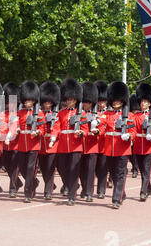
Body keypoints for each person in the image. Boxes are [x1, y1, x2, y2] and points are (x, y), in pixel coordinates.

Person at [50, 78, 88, 206]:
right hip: (62, 146)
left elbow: (85, 129)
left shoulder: (81, 113)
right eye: (67, 99)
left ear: (76, 100)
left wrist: (81, 133)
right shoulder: (61, 113)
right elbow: (56, 127)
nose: (69, 101)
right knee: (61, 168)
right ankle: (72, 185)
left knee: (73, 170)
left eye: (71, 99)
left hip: (75, 145)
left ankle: (72, 196)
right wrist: (53, 138)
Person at [103, 81, 136, 209]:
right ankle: (122, 193)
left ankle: (116, 199)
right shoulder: (106, 114)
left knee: (120, 173)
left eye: (118, 100)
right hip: (109, 149)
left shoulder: (129, 115)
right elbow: (101, 126)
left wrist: (129, 136)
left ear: (123, 101)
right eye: (114, 100)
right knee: (113, 174)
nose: (116, 102)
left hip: (123, 149)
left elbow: (133, 131)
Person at [14, 80, 43, 203]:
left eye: (29, 100)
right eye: (25, 100)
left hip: (33, 144)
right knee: (22, 167)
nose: (27, 103)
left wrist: (37, 132)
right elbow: (15, 124)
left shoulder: (39, 113)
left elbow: (42, 129)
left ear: (34, 100)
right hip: (22, 144)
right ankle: (34, 182)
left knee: (31, 168)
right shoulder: (20, 112)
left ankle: (28, 192)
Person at [133, 83, 151, 201]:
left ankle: (143, 192)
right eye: (142, 102)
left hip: (150, 146)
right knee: (142, 170)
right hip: (139, 145)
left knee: (146, 169)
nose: (143, 103)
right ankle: (149, 187)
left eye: (145, 102)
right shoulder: (136, 116)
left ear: (150, 103)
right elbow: (133, 128)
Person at [80, 82, 104, 202]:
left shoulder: (99, 115)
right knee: (81, 169)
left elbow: (103, 127)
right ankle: (84, 188)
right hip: (80, 145)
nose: (85, 104)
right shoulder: (79, 114)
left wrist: (96, 130)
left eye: (87, 102)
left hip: (93, 145)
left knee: (90, 170)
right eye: (84, 102)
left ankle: (89, 192)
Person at [37, 81, 60, 200]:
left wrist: (53, 138)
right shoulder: (39, 113)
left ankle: (48, 191)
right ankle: (51, 185)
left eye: (49, 102)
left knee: (50, 169)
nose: (47, 104)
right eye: (45, 101)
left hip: (52, 144)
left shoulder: (56, 114)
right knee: (43, 168)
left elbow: (57, 128)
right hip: (41, 144)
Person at [0, 82, 22, 198]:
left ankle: (12, 188)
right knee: (6, 166)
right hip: (5, 144)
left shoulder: (19, 113)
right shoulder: (3, 114)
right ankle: (18, 182)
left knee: (14, 167)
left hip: (16, 145)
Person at [94, 80, 109, 199]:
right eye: (100, 101)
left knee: (103, 168)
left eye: (103, 101)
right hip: (94, 144)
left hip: (105, 144)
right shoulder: (93, 112)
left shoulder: (109, 113)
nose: (101, 103)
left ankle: (101, 190)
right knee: (95, 169)